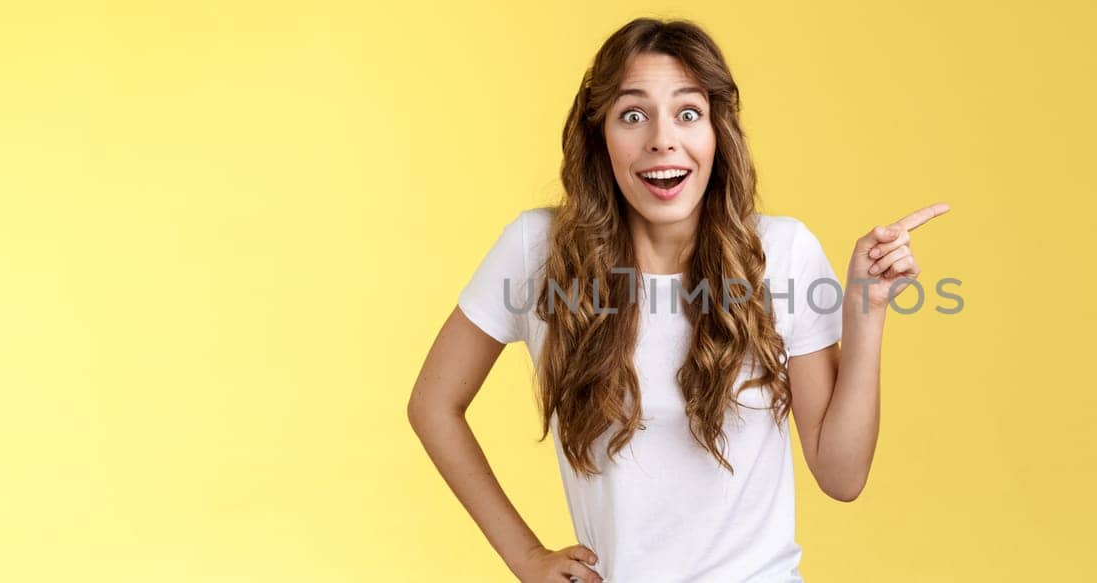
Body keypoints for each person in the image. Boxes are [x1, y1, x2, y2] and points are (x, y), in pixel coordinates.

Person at [407, 17, 949, 583]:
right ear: (600, 136)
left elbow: (842, 476)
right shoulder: (538, 250)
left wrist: (866, 310)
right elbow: (433, 405)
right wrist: (526, 557)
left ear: (718, 132)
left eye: (688, 113)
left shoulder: (782, 252)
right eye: (633, 115)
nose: (662, 139)